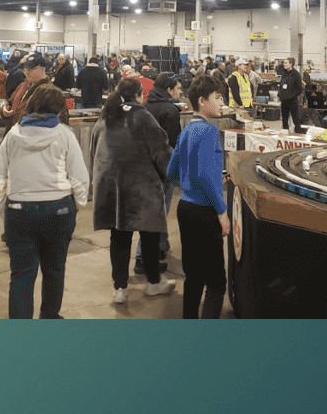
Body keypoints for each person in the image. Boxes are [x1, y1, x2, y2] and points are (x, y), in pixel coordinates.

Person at [0, 84, 89, 319]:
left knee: (21, 274)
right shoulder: (64, 134)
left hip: (19, 210)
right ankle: (49, 319)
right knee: (54, 270)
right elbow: (80, 176)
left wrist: (4, 206)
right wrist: (77, 204)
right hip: (58, 209)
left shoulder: (13, 134)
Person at [92, 78, 176, 304]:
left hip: (113, 189)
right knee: (150, 235)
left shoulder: (106, 115)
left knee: (119, 237)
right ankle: (153, 282)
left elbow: (95, 150)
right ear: (139, 95)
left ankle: (120, 288)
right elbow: (161, 150)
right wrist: (174, 175)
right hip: (142, 189)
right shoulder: (143, 116)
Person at [167, 75, 230, 319]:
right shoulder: (209, 132)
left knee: (193, 277)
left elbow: (173, 171)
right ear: (203, 101)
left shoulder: (186, 132)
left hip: (185, 208)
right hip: (205, 212)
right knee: (216, 282)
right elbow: (205, 175)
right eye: (218, 97)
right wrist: (222, 212)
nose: (222, 102)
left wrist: (192, 182)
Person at [134, 73, 183, 274]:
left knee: (156, 211)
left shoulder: (145, 107)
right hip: (163, 169)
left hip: (144, 167)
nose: (181, 92)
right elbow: (172, 144)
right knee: (158, 211)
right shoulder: (171, 111)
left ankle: (160, 246)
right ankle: (142, 258)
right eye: (179, 88)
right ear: (170, 90)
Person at [1, 52, 49, 123]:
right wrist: (4, 110)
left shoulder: (50, 92)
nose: (27, 72)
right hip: (13, 130)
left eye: (31, 69)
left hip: (28, 133)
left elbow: (58, 121)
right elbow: (10, 102)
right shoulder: (22, 85)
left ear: (42, 69)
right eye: (25, 68)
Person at [279, 57, 304, 133]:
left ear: (291, 64)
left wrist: (291, 96)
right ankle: (285, 135)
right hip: (284, 101)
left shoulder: (296, 74)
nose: (284, 64)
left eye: (286, 63)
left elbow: (299, 89)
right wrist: (280, 94)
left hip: (292, 101)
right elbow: (281, 85)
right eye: (284, 63)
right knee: (284, 120)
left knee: (295, 120)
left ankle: (299, 135)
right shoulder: (284, 73)